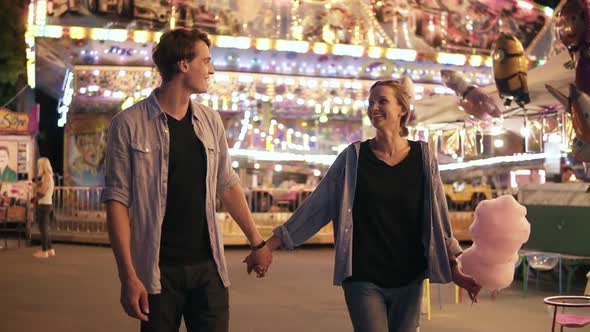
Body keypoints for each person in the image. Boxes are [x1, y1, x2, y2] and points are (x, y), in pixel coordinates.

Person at [245, 79, 481, 332]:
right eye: (371, 102)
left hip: (410, 276)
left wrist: (454, 268)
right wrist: (269, 245)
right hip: (362, 275)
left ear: (403, 109)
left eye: (382, 101)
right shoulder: (353, 158)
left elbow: (438, 218)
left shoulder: (423, 158)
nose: (374, 107)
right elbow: (317, 205)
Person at [101, 28, 271, 332]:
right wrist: (127, 275)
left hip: (209, 270)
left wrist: (257, 241)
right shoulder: (127, 125)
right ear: (183, 64)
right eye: (205, 61)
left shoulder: (210, 121)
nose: (211, 69)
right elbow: (117, 201)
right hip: (157, 272)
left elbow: (228, 184)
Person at [33, 158, 55, 258]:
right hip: (48, 204)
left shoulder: (46, 176)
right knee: (46, 228)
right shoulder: (50, 176)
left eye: (39, 165)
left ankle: (44, 251)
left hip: (44, 205)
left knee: (43, 229)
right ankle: (50, 249)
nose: (38, 167)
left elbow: (43, 191)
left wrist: (35, 193)